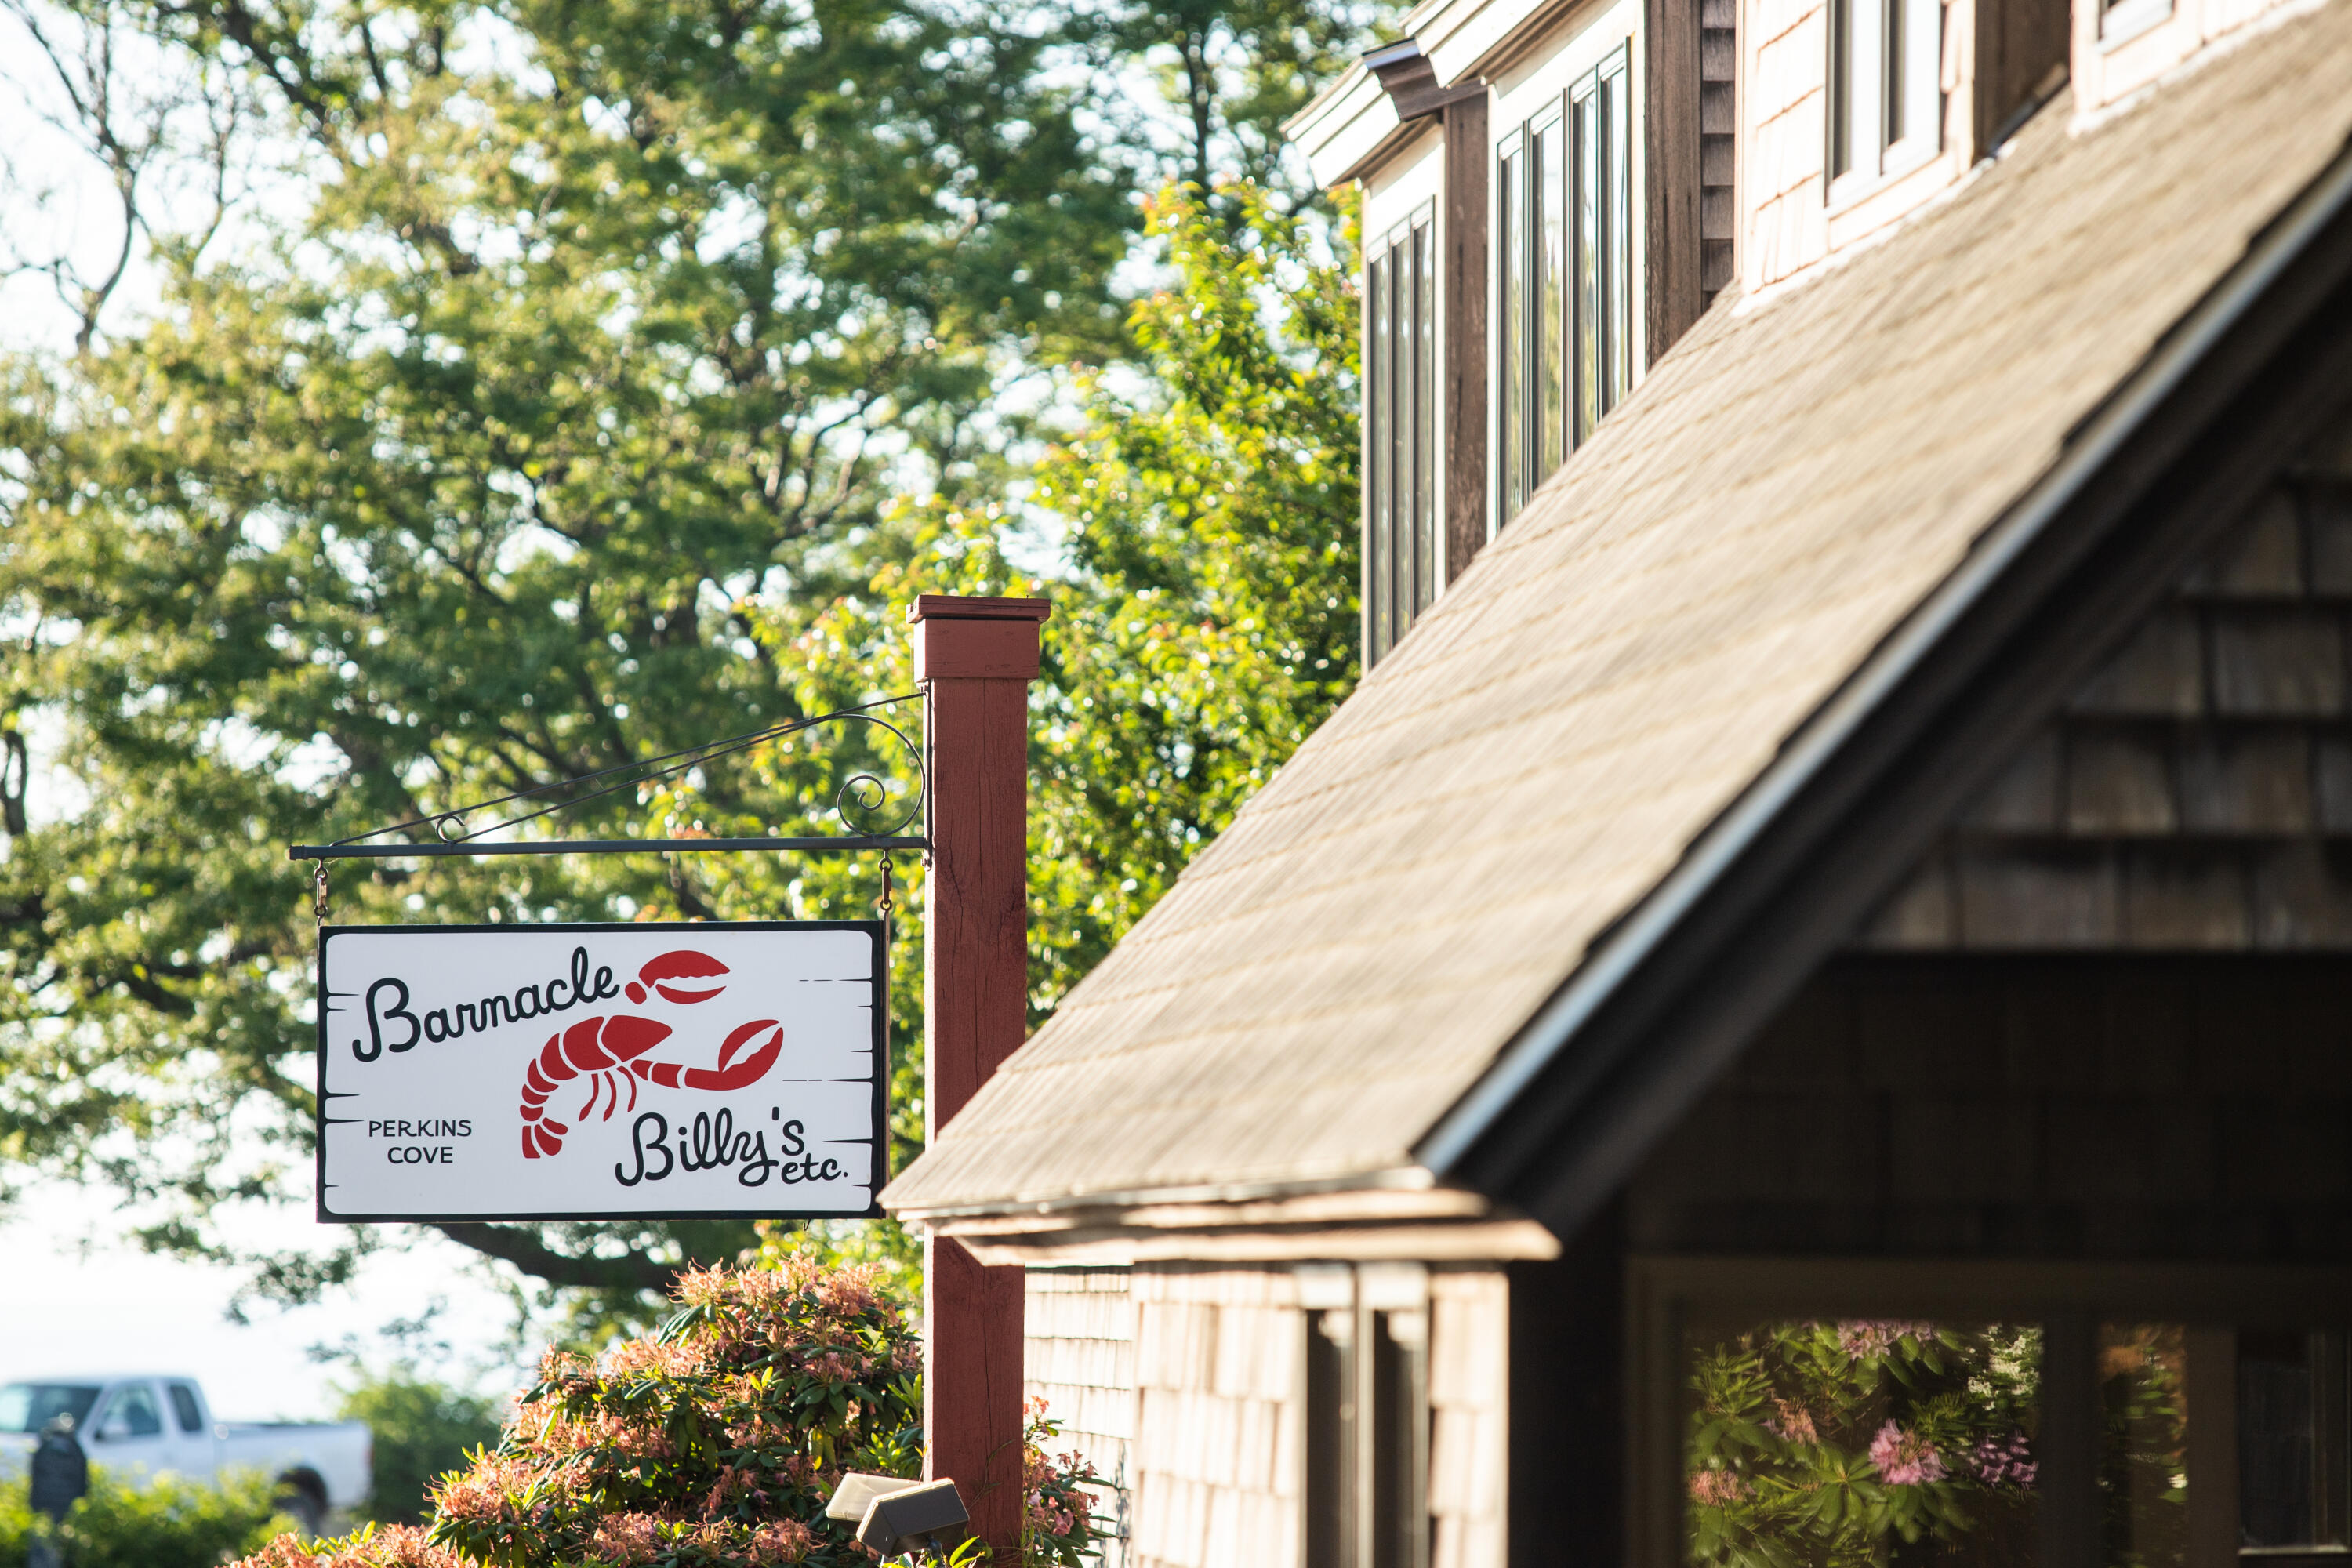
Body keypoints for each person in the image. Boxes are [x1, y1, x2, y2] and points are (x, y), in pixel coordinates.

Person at [27, 1411, 87, 1568]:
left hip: (42, 1509)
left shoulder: (44, 1448)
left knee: (41, 1547)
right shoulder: (75, 1449)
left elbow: (33, 1483)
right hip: (69, 1510)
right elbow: (83, 1483)